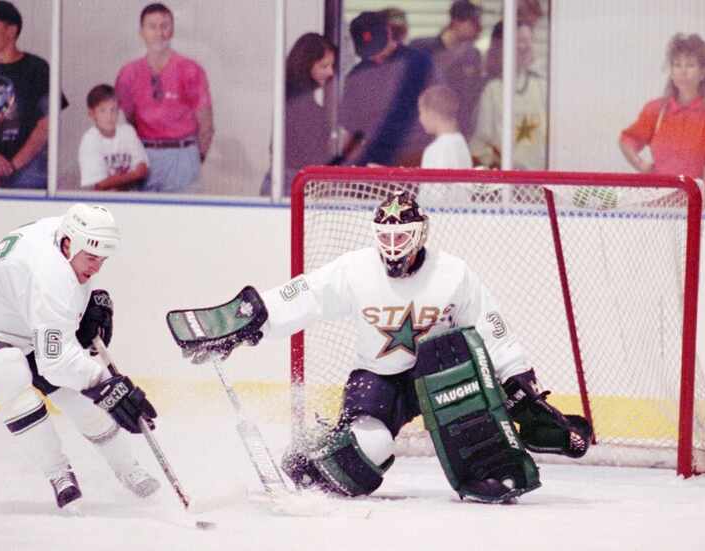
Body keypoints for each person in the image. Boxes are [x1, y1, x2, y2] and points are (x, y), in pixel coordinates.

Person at [171, 192, 592, 504]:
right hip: (377, 376)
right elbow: (305, 294)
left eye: (402, 236)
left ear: (421, 233)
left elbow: (491, 325)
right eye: (385, 236)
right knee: (367, 452)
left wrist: (517, 378)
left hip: (439, 376)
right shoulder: (355, 269)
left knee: (462, 365)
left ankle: (486, 469)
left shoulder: (453, 274)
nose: (393, 246)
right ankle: (316, 457)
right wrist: (251, 320)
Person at [0, 204, 160, 509]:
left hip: (22, 319)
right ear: (69, 244)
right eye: (92, 258)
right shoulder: (49, 274)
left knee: (78, 398)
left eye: (102, 260)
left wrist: (83, 312)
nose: (96, 268)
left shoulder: (64, 233)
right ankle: (59, 473)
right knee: (7, 373)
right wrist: (109, 386)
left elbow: (58, 314)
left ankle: (128, 468)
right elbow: (55, 365)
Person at [619, 33, 705, 207]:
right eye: (677, 65)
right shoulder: (656, 109)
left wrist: (702, 202)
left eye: (690, 65)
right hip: (659, 205)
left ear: (703, 72)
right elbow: (627, 140)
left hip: (700, 203)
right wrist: (641, 164)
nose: (682, 71)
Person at [115, 2, 213, 193]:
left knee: (183, 220)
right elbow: (124, 123)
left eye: (164, 26)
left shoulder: (190, 70)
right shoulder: (129, 73)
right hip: (143, 156)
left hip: (182, 156)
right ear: (141, 32)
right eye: (152, 27)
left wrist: (192, 158)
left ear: (173, 29)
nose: (159, 33)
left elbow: (206, 126)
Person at [0, 0, 68, 189]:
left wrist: (13, 165)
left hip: (28, 170)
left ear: (11, 30)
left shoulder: (37, 68)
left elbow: (47, 124)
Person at [340, 10, 435, 167]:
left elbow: (440, 109)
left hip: (414, 158)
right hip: (373, 162)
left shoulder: (419, 63)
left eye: (379, 48)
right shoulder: (357, 75)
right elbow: (351, 130)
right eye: (368, 52)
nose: (375, 56)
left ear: (389, 33)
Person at [261, 33, 337, 198]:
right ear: (307, 65)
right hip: (294, 184)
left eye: (332, 66)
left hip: (290, 180)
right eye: (324, 66)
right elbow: (310, 153)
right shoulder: (300, 104)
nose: (331, 72)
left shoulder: (290, 96)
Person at [470, 21, 548, 169]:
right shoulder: (493, 90)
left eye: (528, 41)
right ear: (502, 48)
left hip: (542, 181)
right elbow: (479, 144)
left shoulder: (543, 86)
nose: (525, 47)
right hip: (509, 183)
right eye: (519, 41)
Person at [410, 0, 484, 139]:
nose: (479, 28)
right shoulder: (422, 48)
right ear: (456, 22)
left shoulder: (473, 55)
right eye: (473, 23)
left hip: (458, 131)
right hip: (424, 132)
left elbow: (473, 96)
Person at [78, 84, 149, 191]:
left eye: (113, 110)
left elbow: (143, 170)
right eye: (103, 110)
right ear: (92, 114)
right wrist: (133, 175)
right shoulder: (90, 140)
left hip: (132, 200)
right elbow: (101, 184)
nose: (109, 116)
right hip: (103, 203)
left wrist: (115, 180)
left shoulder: (127, 131)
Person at [419, 84, 472, 169]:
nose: (420, 119)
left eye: (421, 112)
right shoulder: (462, 144)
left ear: (431, 113)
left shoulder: (434, 151)